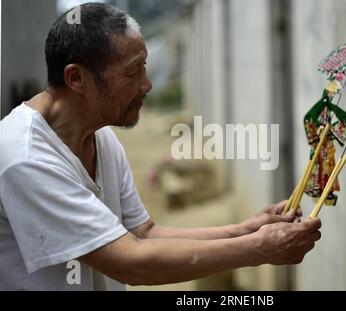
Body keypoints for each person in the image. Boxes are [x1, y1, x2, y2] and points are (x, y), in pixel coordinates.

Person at [0, 3, 321, 290]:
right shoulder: (25, 157)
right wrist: (258, 249)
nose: (147, 84)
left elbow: (144, 233)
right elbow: (131, 262)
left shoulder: (100, 136)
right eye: (131, 71)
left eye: (144, 66)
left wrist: (245, 230)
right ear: (76, 78)